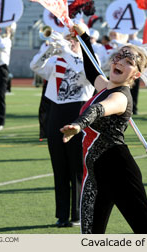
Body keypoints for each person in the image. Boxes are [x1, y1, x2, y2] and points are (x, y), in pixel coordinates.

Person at [60, 25, 147, 234]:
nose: (120, 62)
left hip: (119, 170)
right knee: (90, 235)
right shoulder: (105, 87)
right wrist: (84, 38)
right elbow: (91, 70)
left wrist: (78, 125)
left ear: (136, 74)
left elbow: (98, 110)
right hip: (95, 173)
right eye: (119, 57)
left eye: (129, 62)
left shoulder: (121, 97)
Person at [30, 27, 95, 228]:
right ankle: (62, 214)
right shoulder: (56, 61)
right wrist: (49, 50)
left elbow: (85, 73)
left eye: (74, 40)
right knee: (59, 165)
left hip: (78, 113)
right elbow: (35, 65)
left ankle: (77, 213)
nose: (71, 43)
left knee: (77, 166)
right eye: (68, 39)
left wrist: (67, 50)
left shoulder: (89, 62)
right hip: (56, 112)